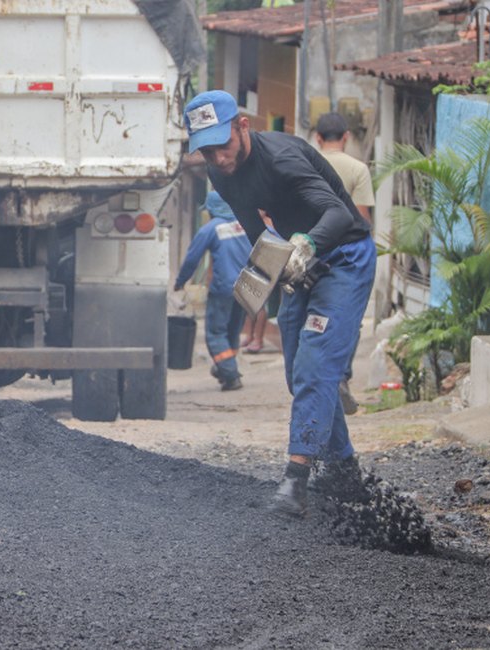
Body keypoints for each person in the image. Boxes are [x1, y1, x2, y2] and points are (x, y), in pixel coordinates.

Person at [183, 90, 375, 518]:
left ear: (243, 126)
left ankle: (295, 482)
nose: (217, 158)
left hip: (343, 256)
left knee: (316, 363)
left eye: (222, 146)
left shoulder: (283, 159)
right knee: (297, 373)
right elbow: (256, 228)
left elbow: (343, 216)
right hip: (300, 262)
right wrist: (274, 272)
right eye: (207, 151)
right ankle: (344, 470)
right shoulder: (222, 173)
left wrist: (308, 243)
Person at [315, 112, 375, 416]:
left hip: (314, 249)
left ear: (317, 138)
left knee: (315, 314)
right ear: (347, 137)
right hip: (350, 252)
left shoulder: (308, 163)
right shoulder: (358, 169)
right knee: (349, 318)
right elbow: (362, 217)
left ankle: (317, 376)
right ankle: (341, 376)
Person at [173, 191, 251, 391]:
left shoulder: (210, 229)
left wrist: (181, 281)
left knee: (216, 333)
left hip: (223, 288)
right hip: (247, 287)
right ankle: (226, 368)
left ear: (212, 209)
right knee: (233, 330)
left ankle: (230, 374)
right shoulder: (246, 225)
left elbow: (192, 259)